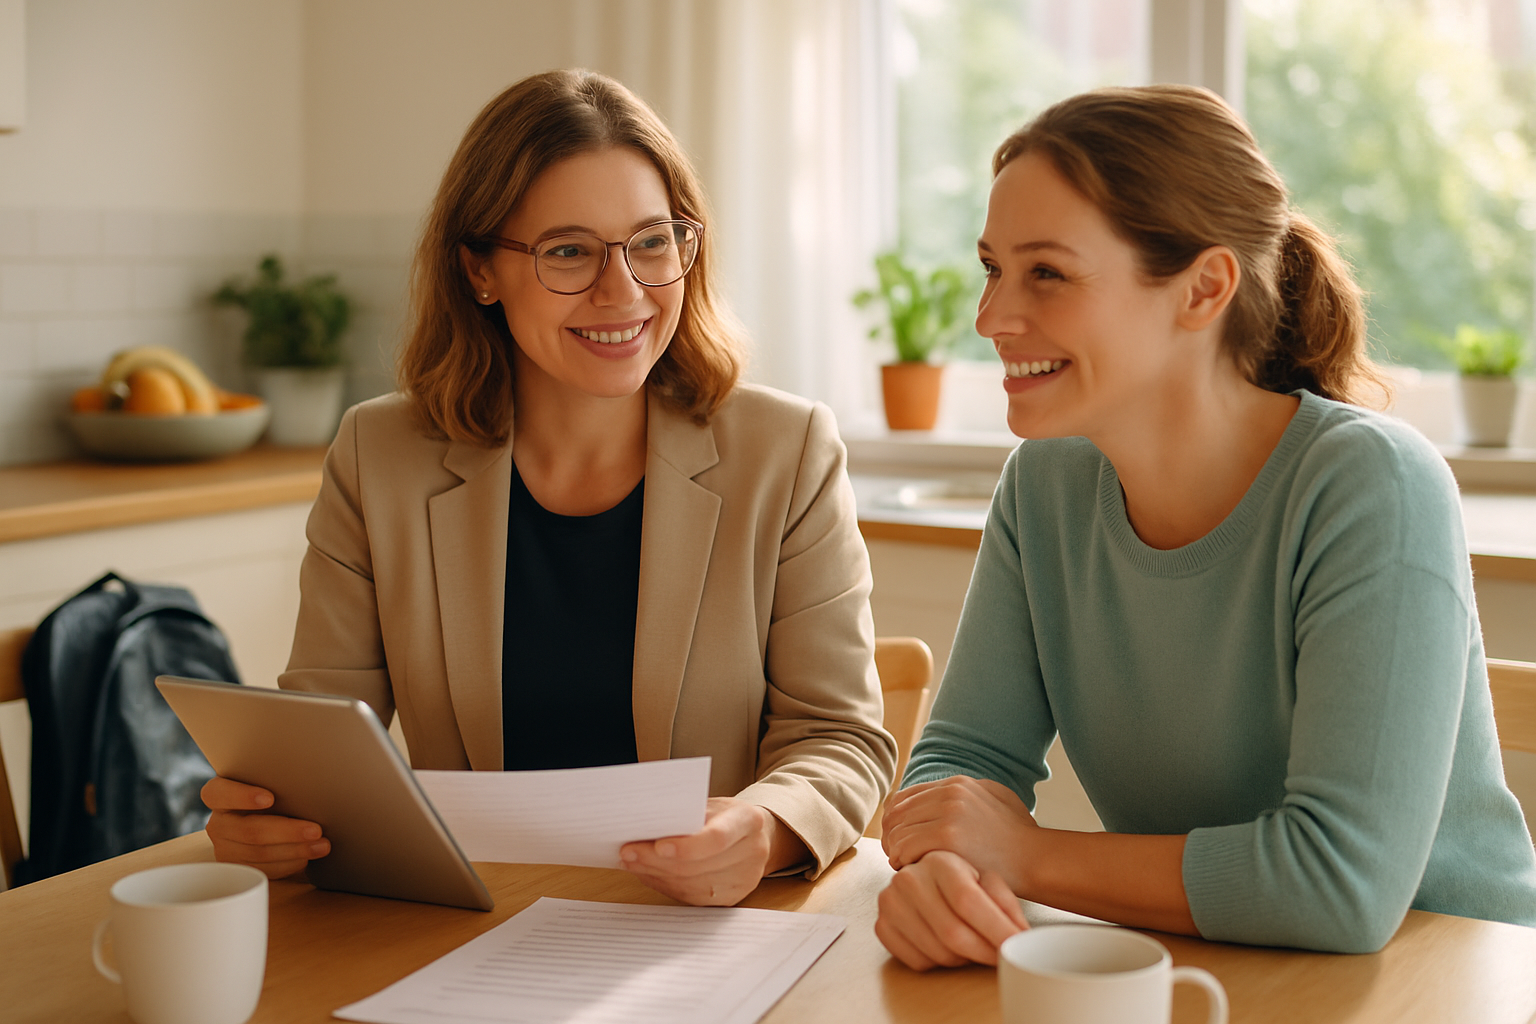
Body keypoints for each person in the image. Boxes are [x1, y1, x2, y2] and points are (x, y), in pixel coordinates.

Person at [875, 84, 1536, 968]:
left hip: (1443, 981)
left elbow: (1339, 885)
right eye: (993, 267)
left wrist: (1027, 856)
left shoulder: (1372, 485)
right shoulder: (1045, 486)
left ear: (1203, 289)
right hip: (1213, 966)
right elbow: (966, 757)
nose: (991, 317)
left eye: (1047, 273)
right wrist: (943, 867)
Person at [201, 69, 896, 906]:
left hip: (700, 931)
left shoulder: (786, 453)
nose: (624, 291)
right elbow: (322, 747)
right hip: (466, 928)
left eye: (651, 241)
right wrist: (273, 818)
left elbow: (840, 738)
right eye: (569, 251)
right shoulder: (376, 455)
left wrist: (766, 827)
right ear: (480, 271)